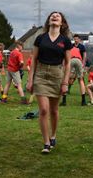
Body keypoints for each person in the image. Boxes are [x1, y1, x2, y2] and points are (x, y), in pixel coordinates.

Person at [26, 11, 72, 154]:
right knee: (44, 110)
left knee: (54, 110)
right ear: (48, 21)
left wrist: (65, 82)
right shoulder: (40, 38)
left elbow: (68, 63)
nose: (54, 16)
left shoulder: (65, 41)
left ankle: (53, 136)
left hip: (57, 75)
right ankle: (46, 142)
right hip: (41, 74)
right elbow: (33, 59)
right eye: (52, 15)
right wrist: (30, 79)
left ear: (62, 23)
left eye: (58, 15)